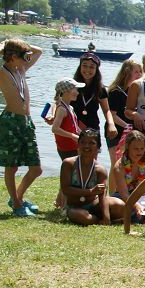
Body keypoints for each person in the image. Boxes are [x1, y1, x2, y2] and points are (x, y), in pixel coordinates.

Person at [0, 38, 44, 216]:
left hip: (26, 122)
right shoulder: (2, 72)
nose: (28, 59)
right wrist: (2, 48)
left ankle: (17, 197)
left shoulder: (21, 69)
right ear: (14, 57)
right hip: (9, 121)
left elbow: (39, 51)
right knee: (12, 166)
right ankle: (17, 204)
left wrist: (21, 44)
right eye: (24, 56)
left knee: (36, 168)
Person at [61, 129, 125, 226]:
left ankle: (99, 218)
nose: (87, 146)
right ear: (78, 144)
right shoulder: (68, 163)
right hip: (74, 206)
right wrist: (90, 192)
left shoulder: (100, 170)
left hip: (93, 204)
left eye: (91, 143)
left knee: (120, 206)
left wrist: (106, 218)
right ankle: (97, 220)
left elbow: (102, 196)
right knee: (81, 216)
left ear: (98, 146)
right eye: (83, 142)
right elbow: (65, 189)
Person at [48, 78, 86, 208]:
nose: (77, 92)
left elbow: (74, 126)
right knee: (69, 177)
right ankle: (63, 204)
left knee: (68, 174)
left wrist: (82, 135)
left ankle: (59, 202)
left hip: (72, 145)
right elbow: (55, 128)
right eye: (75, 90)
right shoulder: (62, 109)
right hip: (66, 147)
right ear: (67, 92)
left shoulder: (69, 107)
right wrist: (72, 136)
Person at [71, 52, 118, 153]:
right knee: (71, 163)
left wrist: (111, 124)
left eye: (92, 67)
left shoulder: (100, 89)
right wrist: (53, 115)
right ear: (80, 67)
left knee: (92, 163)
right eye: (84, 66)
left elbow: (106, 110)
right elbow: (59, 103)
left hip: (92, 129)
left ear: (97, 70)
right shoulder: (71, 85)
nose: (87, 70)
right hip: (73, 129)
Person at [107, 58, 143, 184]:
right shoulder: (115, 91)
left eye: (140, 72)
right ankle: (111, 194)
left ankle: (125, 191)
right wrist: (128, 126)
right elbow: (112, 115)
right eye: (136, 72)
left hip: (130, 134)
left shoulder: (136, 91)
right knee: (116, 164)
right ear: (127, 72)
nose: (139, 74)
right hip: (116, 133)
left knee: (130, 165)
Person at [111, 130, 145, 222]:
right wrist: (136, 206)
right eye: (136, 149)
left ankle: (138, 217)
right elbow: (124, 194)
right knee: (118, 205)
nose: (139, 152)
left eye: (142, 149)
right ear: (128, 148)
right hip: (124, 197)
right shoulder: (119, 166)